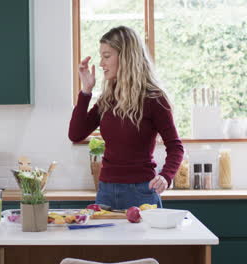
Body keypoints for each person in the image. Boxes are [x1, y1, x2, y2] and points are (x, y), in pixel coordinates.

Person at [68, 26, 184, 209]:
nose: (101, 63)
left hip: (142, 192)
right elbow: (75, 134)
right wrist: (86, 91)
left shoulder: (154, 99)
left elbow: (175, 147)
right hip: (105, 191)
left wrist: (166, 176)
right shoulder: (108, 99)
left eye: (107, 56)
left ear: (126, 57)